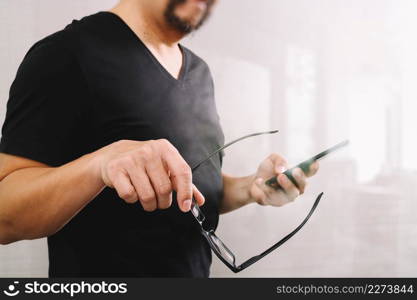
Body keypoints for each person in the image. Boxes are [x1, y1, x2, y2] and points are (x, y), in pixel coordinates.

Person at [0, 0, 319, 277]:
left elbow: (192, 188)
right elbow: (4, 216)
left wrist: (250, 188)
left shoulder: (200, 72)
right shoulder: (66, 54)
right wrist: (100, 164)